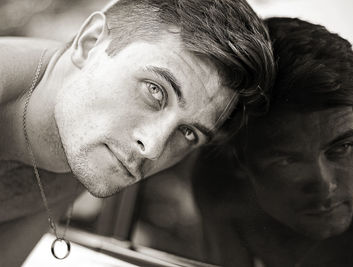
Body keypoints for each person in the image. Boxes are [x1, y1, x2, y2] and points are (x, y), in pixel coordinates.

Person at [0, 0, 275, 265]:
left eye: (189, 132)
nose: (153, 147)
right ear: (90, 43)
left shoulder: (81, 140)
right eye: (155, 91)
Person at [192, 17, 353, 267]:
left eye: (342, 148)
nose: (325, 185)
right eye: (287, 159)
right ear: (239, 159)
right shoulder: (219, 183)